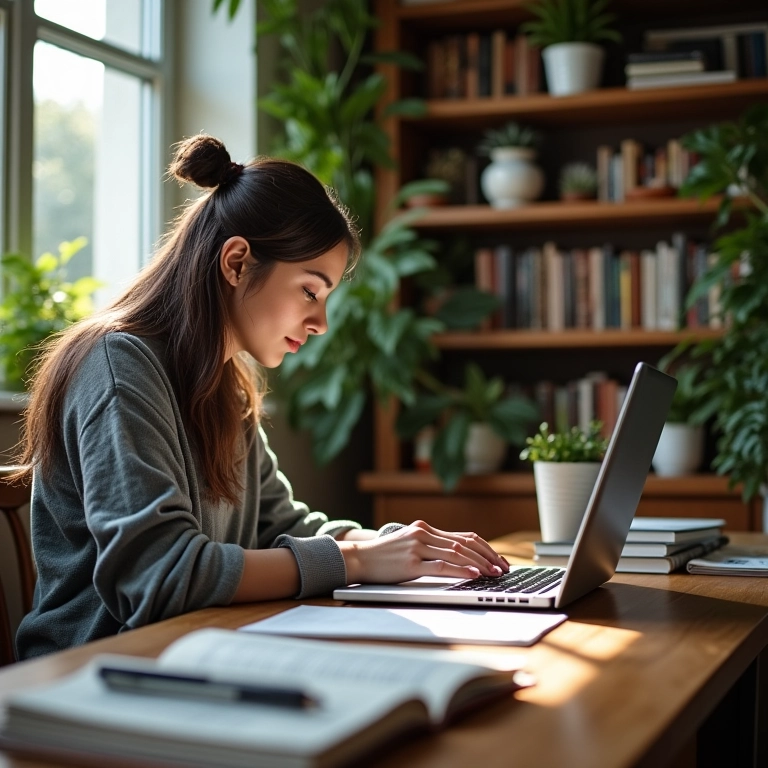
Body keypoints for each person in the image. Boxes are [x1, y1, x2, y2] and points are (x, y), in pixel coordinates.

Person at [14, 134, 509, 660]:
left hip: (193, 657)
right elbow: (158, 578)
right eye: (310, 291)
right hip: (90, 677)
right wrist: (358, 561)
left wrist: (403, 546)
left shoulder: (225, 385)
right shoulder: (117, 366)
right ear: (236, 263)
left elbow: (284, 528)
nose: (320, 323)